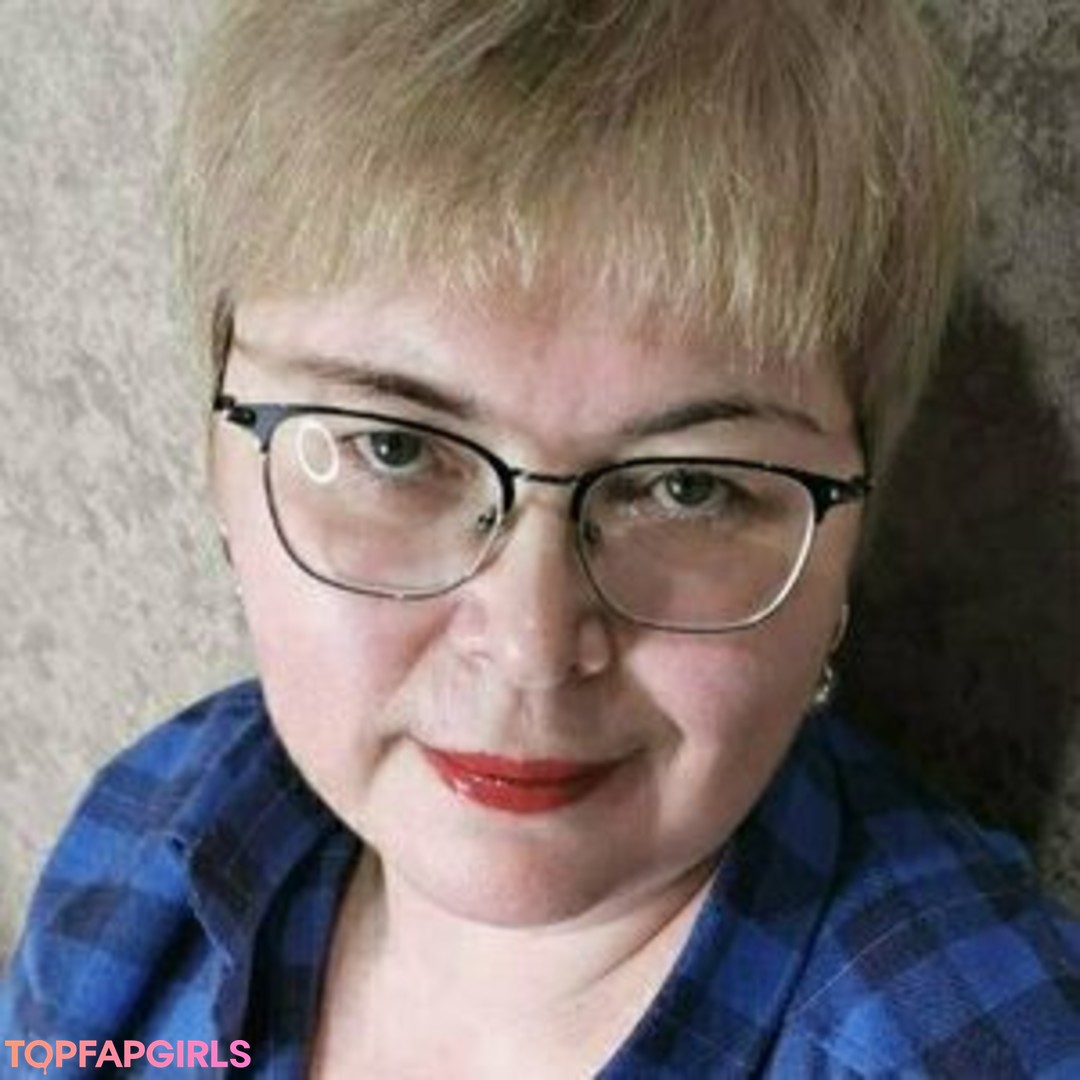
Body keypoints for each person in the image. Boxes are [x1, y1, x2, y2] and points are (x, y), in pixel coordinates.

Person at [4, 0, 1080, 1076]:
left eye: (690, 487)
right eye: (394, 450)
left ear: (849, 548)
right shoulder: (146, 838)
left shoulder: (978, 1047)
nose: (530, 644)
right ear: (218, 473)